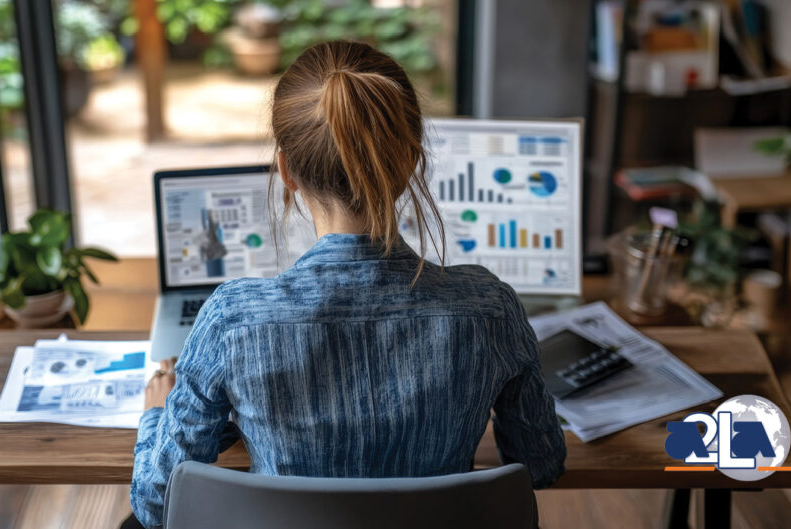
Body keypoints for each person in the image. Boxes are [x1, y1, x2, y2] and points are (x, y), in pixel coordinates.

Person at [127, 40, 566, 529]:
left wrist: (156, 416)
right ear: (411, 161)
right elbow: (541, 463)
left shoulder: (234, 320)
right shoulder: (490, 309)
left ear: (286, 170)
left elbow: (155, 502)